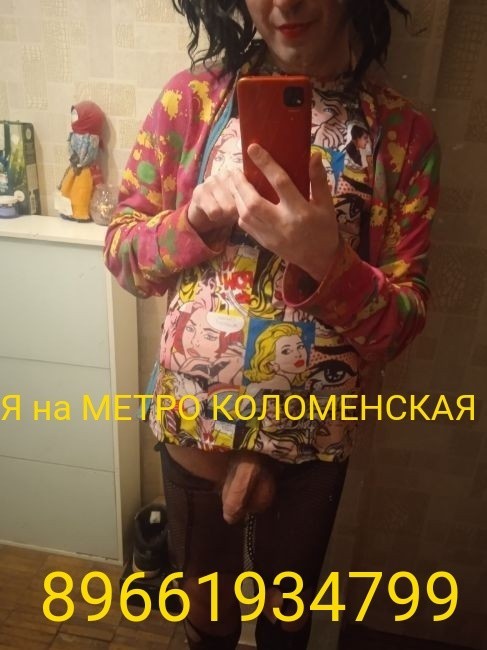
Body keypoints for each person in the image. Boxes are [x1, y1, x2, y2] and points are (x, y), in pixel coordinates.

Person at [104, 0, 440, 647]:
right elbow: (124, 254)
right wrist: (191, 225)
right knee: (207, 625)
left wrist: (328, 261)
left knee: (287, 627)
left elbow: (399, 327)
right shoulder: (189, 103)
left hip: (313, 442)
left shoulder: (402, 136)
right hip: (195, 429)